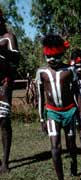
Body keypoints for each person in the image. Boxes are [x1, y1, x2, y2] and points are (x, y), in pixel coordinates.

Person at [35, 34, 81, 180]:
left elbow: (77, 94)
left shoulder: (70, 70)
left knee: (71, 146)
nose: (51, 60)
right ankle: (60, 177)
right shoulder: (41, 73)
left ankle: (74, 161)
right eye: (48, 57)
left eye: (55, 57)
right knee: (55, 148)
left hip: (70, 111)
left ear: (61, 55)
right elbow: (40, 97)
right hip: (52, 113)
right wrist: (41, 119)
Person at [0, 9, 19, 173]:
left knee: (4, 121)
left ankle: (5, 162)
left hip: (4, 84)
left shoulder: (8, 37)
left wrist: (1, 50)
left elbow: (15, 58)